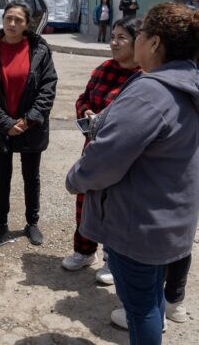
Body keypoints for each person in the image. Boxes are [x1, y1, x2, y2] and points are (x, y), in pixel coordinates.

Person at [65, 2, 199, 345]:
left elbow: (104, 161)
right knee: (150, 301)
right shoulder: (194, 82)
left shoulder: (150, 91)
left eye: (140, 35)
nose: (133, 41)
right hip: (169, 219)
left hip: (139, 226)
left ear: (153, 43)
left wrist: (75, 178)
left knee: (142, 311)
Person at [112, 50, 199, 329]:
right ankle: (174, 302)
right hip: (197, 180)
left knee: (160, 248)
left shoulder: (174, 89)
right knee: (180, 245)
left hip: (172, 184)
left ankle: (156, 309)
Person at [61, 17, 141, 284]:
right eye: (113, 36)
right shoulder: (104, 68)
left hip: (123, 158)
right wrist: (85, 111)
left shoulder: (144, 76)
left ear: (138, 41)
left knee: (115, 207)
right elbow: (83, 98)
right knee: (86, 202)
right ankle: (84, 252)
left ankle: (112, 259)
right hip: (94, 151)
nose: (114, 43)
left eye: (122, 38)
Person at [0, 0, 57, 246]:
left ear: (27, 24)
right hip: (1, 127)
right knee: (3, 175)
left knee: (32, 176)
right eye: (8, 18)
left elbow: (48, 86)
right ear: (3, 19)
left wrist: (29, 120)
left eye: (18, 20)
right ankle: (1, 223)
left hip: (31, 126)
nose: (12, 23)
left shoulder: (39, 48)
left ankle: (32, 223)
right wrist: (5, 122)